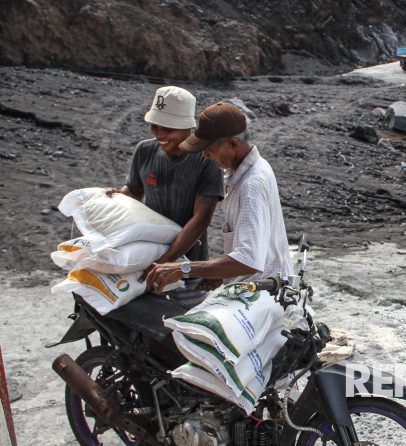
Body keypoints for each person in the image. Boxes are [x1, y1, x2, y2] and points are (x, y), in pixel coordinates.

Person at [145, 102, 293, 294]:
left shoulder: (252, 185)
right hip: (249, 286)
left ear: (233, 144)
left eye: (210, 149)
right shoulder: (242, 171)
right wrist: (220, 274)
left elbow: (248, 259)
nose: (205, 155)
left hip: (263, 294)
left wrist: (183, 269)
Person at [105, 86, 225, 306]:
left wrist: (164, 264)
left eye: (168, 128)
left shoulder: (205, 160)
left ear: (188, 127)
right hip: (146, 259)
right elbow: (134, 190)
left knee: (179, 332)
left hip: (187, 267)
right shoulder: (145, 151)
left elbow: (201, 220)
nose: (159, 134)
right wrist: (116, 197)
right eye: (154, 126)